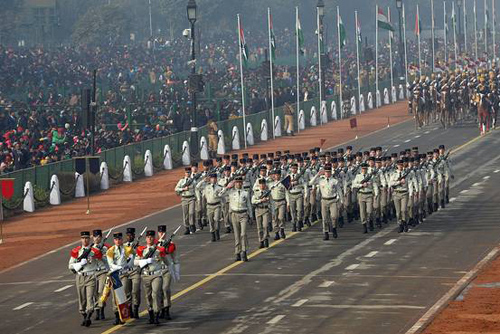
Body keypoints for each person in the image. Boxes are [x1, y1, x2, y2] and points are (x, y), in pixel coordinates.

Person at [68, 231, 103, 327]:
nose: (85, 240)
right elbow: (70, 266)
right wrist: (79, 264)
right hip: (80, 276)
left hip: (91, 276)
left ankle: (88, 317)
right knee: (82, 299)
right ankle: (84, 315)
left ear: (89, 239)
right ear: (81, 239)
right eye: (83, 238)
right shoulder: (76, 251)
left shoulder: (94, 251)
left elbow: (101, 261)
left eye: (87, 238)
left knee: (90, 297)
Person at [135, 230, 166, 325]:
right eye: (148, 237)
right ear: (146, 238)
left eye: (151, 237)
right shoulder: (141, 250)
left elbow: (166, 260)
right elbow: (135, 262)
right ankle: (151, 313)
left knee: (155, 294)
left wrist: (173, 269)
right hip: (145, 275)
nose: (150, 238)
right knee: (148, 296)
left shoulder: (159, 250)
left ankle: (156, 314)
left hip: (156, 275)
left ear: (154, 238)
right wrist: (145, 261)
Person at [106, 231, 135, 325]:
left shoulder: (128, 249)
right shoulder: (110, 250)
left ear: (122, 240)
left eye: (119, 239)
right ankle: (116, 315)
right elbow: (110, 263)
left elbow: (133, 257)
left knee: (125, 293)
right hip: (115, 275)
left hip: (124, 274)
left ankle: (126, 312)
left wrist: (129, 263)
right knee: (115, 297)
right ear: (114, 240)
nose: (118, 241)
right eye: (116, 239)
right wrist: (117, 267)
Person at [309, 164, 343, 240]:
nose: (327, 173)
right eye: (326, 172)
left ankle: (334, 228)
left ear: (331, 172)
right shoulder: (321, 180)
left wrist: (341, 201)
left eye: (328, 172)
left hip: (333, 200)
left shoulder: (334, 181)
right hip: (324, 200)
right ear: (324, 172)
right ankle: (326, 232)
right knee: (324, 218)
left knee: (334, 216)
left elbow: (339, 191)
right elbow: (310, 183)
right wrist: (317, 174)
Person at [225, 176, 251, 261]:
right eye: (237, 182)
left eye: (240, 182)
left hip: (243, 214)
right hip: (234, 214)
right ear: (234, 183)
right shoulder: (231, 192)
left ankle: (244, 251)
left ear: (242, 183)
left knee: (243, 234)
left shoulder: (245, 193)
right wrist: (227, 187)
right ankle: (237, 252)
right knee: (236, 235)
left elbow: (249, 205)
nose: (238, 184)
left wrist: (250, 216)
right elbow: (219, 194)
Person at [157, 225, 178, 321]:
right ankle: (161, 308)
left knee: (165, 289)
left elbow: (174, 258)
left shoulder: (171, 244)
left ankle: (167, 309)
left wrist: (176, 272)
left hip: (167, 269)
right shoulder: (155, 244)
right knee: (158, 291)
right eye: (160, 232)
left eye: (163, 232)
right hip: (157, 270)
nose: (161, 234)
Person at [197, 173, 224, 241]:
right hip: (209, 206)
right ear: (210, 179)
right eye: (212, 178)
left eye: (215, 178)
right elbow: (197, 187)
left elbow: (223, 196)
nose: (213, 179)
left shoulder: (219, 187)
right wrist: (203, 181)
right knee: (211, 221)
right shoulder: (206, 187)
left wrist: (223, 205)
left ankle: (217, 231)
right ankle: (212, 233)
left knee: (217, 219)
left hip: (217, 205)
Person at [352, 163, 379, 233]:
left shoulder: (370, 176)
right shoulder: (358, 176)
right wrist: (361, 185)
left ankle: (370, 221)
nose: (364, 170)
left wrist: (376, 194)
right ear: (361, 169)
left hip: (369, 195)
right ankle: (364, 225)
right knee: (362, 212)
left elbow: (375, 185)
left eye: (365, 169)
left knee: (369, 211)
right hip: (361, 195)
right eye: (363, 169)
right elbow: (354, 184)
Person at [123, 228, 142, 318]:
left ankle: (136, 308)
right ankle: (129, 308)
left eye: (131, 235)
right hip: (125, 272)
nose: (129, 237)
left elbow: (140, 259)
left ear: (134, 236)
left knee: (135, 291)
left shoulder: (139, 247)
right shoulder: (122, 247)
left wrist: (135, 250)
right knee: (126, 291)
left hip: (135, 271)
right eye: (128, 235)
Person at [92, 229, 109, 321]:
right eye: (95, 237)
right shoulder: (90, 248)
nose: (96, 238)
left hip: (103, 272)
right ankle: (97, 311)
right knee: (95, 293)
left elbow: (108, 261)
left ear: (101, 238)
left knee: (101, 292)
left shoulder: (105, 248)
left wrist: (101, 255)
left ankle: (101, 310)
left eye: (98, 237)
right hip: (94, 272)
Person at [389, 160, 410, 233]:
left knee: (403, 210)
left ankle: (405, 222)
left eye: (401, 165)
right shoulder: (394, 174)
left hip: (404, 193)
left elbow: (410, 183)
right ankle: (400, 224)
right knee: (398, 212)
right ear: (397, 166)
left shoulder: (406, 173)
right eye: (399, 165)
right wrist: (399, 182)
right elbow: (391, 183)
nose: (400, 166)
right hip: (396, 193)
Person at [175, 167, 197, 234]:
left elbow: (196, 189)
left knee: (191, 213)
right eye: (187, 172)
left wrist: (197, 198)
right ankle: (187, 227)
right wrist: (183, 189)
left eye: (189, 172)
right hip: (184, 198)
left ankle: (192, 224)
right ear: (185, 173)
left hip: (191, 198)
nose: (188, 173)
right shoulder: (182, 181)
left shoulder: (193, 181)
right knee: (185, 214)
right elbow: (176, 189)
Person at [252, 178, 271, 248]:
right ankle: (261, 241)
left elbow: (271, 202)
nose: (262, 186)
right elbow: (253, 201)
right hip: (258, 210)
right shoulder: (256, 192)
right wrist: (260, 200)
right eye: (261, 184)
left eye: (263, 184)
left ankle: (265, 238)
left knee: (265, 226)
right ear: (258, 185)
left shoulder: (268, 192)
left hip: (265, 209)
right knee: (259, 227)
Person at [269, 169, 288, 240]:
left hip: (282, 202)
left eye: (278, 175)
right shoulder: (271, 184)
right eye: (275, 175)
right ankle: (276, 233)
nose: (276, 176)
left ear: (280, 175)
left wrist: (288, 203)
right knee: (274, 218)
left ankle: (282, 230)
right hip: (274, 202)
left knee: (281, 217)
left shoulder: (283, 183)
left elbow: (286, 193)